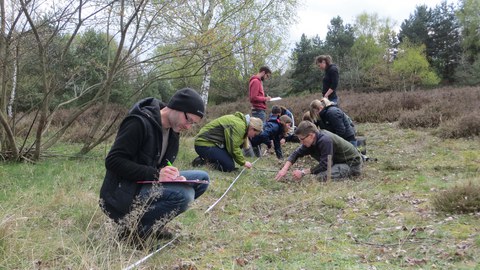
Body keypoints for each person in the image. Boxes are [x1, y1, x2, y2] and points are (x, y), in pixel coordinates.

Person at [99, 88, 209, 244]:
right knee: (184, 196)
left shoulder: (172, 130)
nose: (188, 127)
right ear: (177, 107)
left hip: (146, 183)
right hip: (122, 192)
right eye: (189, 120)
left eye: (193, 124)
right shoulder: (138, 123)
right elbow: (113, 161)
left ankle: (152, 226)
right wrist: (157, 175)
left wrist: (173, 176)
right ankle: (132, 233)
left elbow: (161, 163)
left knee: (202, 179)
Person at [275, 121, 362, 182]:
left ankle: (350, 174)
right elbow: (296, 153)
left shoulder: (325, 140)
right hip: (336, 162)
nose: (301, 142)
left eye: (302, 139)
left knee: (321, 177)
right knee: (319, 174)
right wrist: (284, 169)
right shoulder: (310, 141)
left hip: (351, 164)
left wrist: (303, 172)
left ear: (311, 135)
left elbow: (325, 164)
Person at [192, 112, 263, 172]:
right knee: (228, 166)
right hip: (204, 144)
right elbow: (233, 147)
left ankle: (206, 158)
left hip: (209, 144)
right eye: (255, 134)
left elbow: (232, 145)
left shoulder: (240, 122)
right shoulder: (239, 126)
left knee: (229, 162)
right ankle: (201, 162)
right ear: (252, 129)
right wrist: (243, 162)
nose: (253, 136)